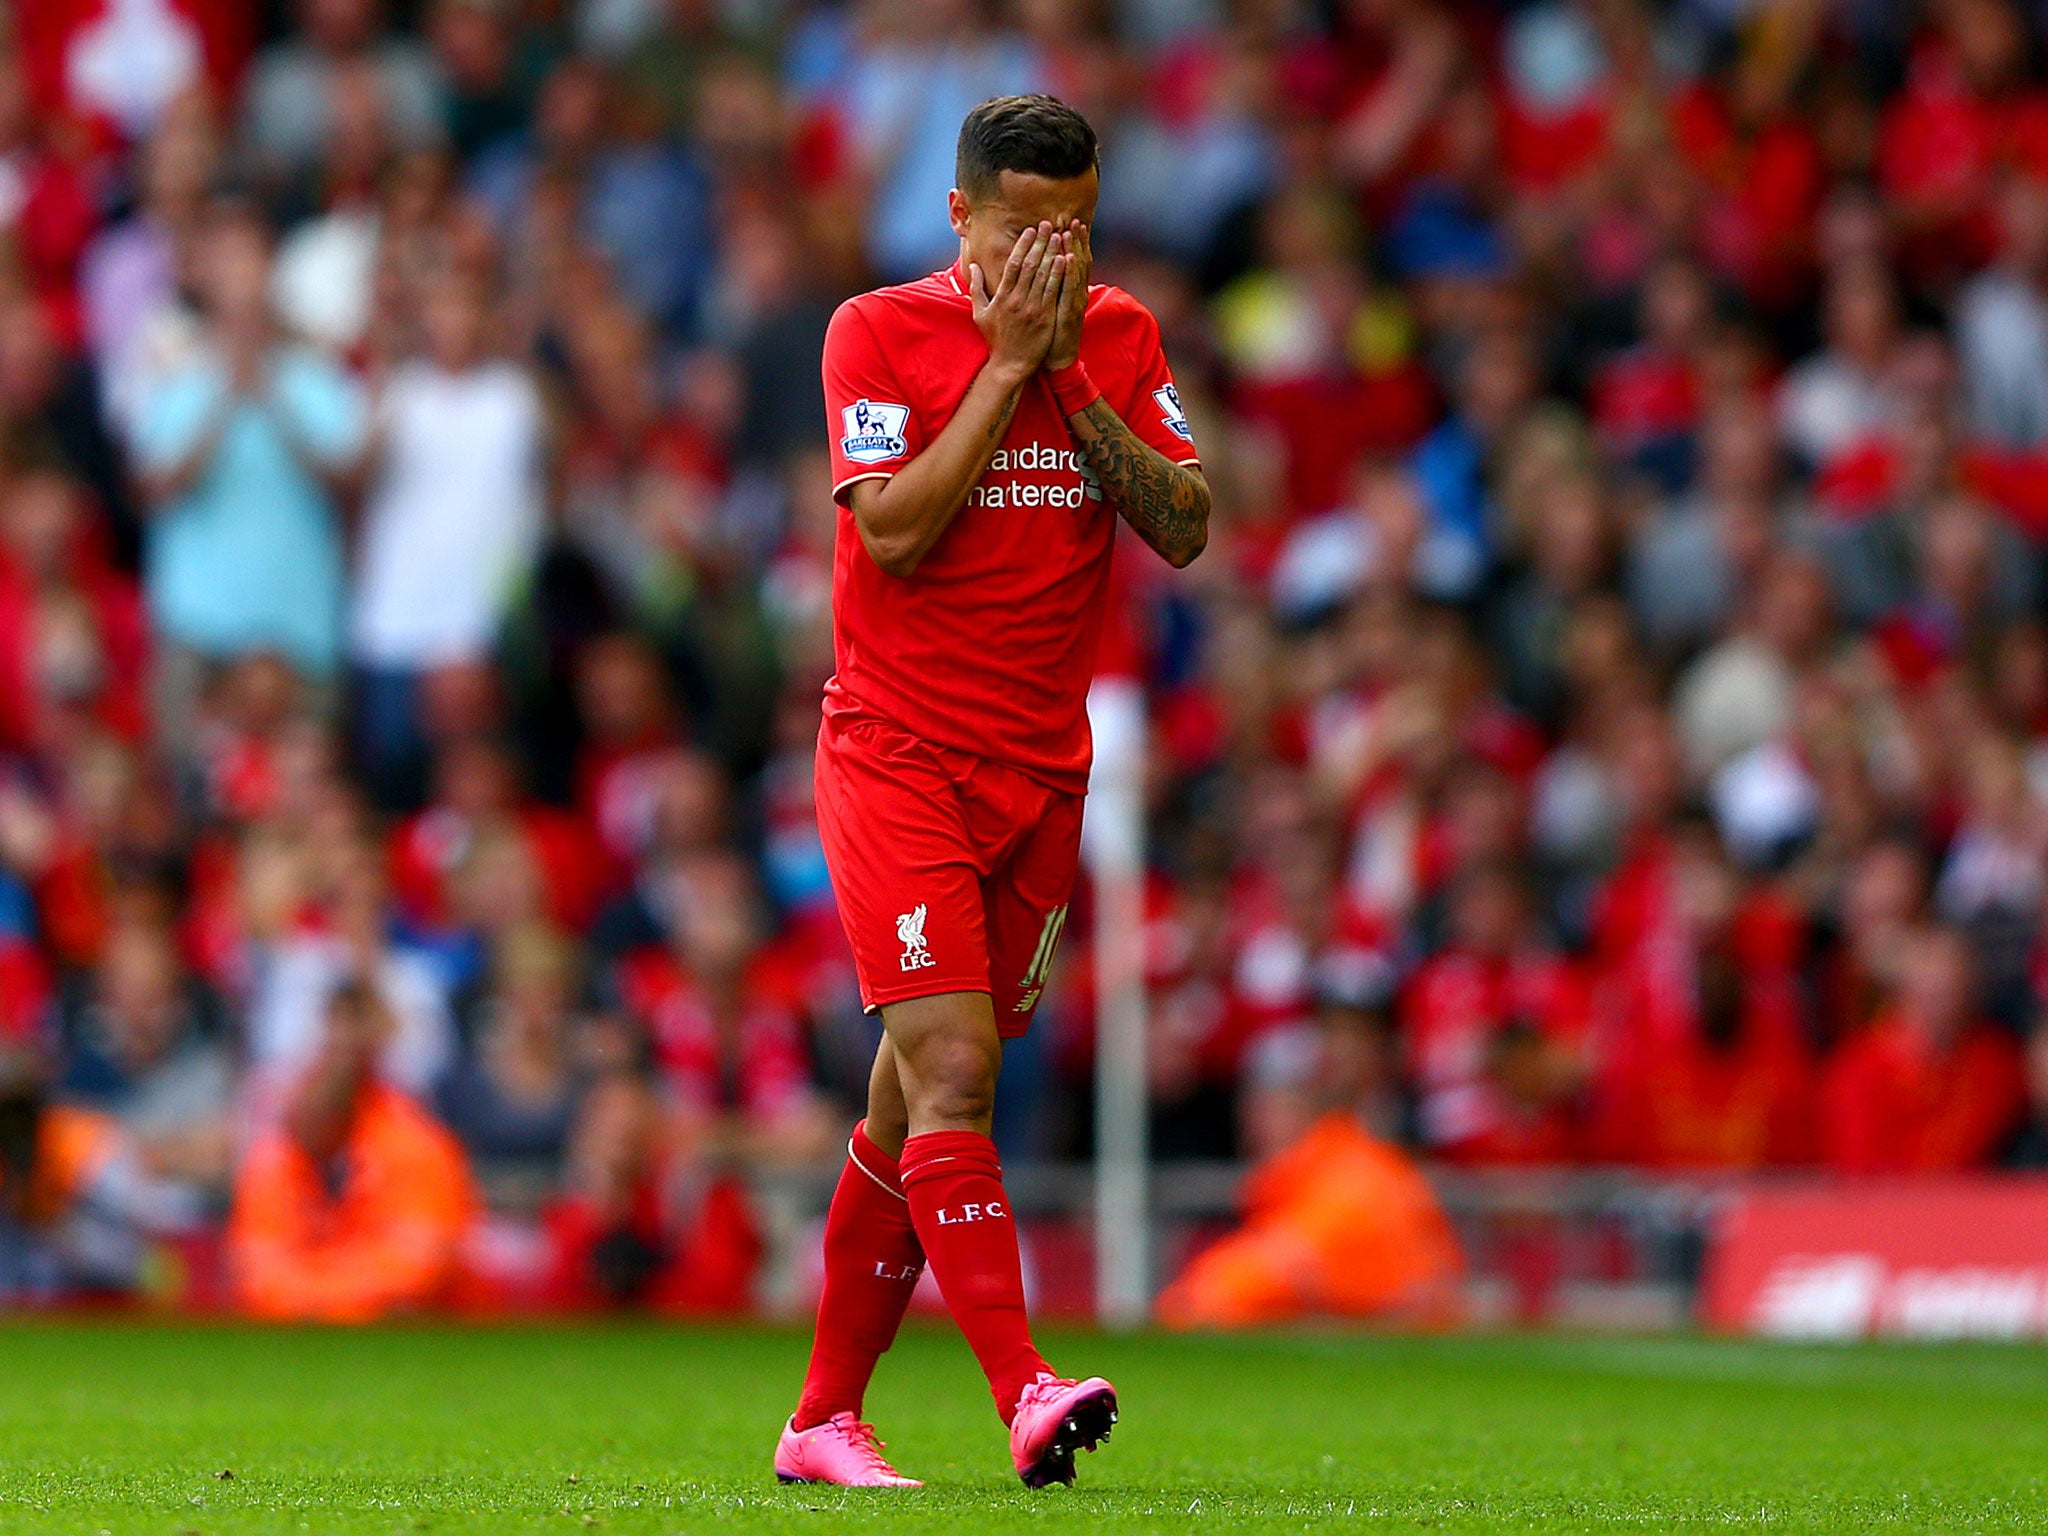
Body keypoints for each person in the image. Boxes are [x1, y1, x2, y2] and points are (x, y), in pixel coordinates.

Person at [775, 94, 1208, 1490]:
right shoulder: (874, 332)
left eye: (1075, 227)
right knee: (957, 1068)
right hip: (896, 751)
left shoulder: (1123, 338)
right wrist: (1011, 368)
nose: (1051, 253)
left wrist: (1069, 374)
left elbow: (1185, 524)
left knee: (911, 1099)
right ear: (960, 218)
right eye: (1025, 227)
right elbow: (891, 532)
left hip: (1040, 773)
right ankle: (1024, 1386)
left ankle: (823, 1420)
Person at [227, 980, 476, 1322]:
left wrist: (320, 1297)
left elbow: (418, 1270)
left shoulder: (417, 1144)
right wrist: (330, 1298)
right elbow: (256, 1272)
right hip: (312, 1334)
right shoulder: (275, 1156)